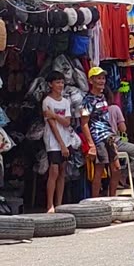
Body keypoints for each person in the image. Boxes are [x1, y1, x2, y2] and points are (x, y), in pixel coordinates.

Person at [80, 67, 121, 197]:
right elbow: (84, 123)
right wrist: (91, 144)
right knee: (100, 169)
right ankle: (95, 202)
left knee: (116, 168)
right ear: (91, 81)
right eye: (98, 78)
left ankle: (113, 198)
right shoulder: (87, 100)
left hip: (108, 135)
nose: (102, 81)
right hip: (98, 137)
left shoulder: (103, 96)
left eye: (103, 78)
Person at [104, 86, 134, 190]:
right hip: (115, 143)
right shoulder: (114, 108)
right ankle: (124, 175)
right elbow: (123, 128)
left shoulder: (95, 109)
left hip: (101, 144)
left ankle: (121, 177)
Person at [43, 71, 72, 213]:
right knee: (53, 172)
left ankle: (59, 203)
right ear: (50, 84)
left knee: (62, 172)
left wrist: (54, 115)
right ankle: (50, 204)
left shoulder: (66, 102)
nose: (60, 85)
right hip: (53, 141)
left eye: (62, 82)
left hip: (66, 139)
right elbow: (52, 125)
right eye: (57, 82)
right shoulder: (47, 102)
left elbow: (67, 122)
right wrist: (61, 144)